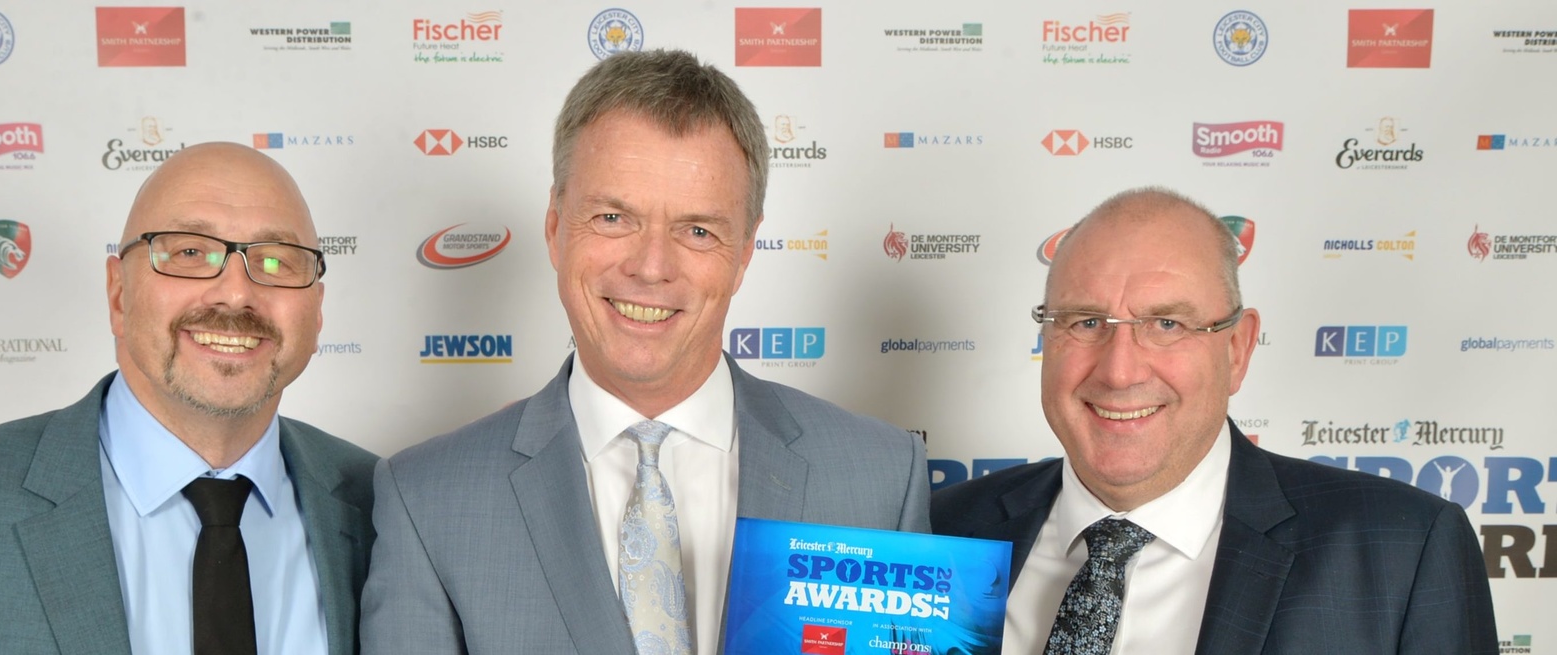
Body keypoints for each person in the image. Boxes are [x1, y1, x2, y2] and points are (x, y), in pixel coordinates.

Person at [359, 49, 930, 655]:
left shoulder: (880, 481)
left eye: (698, 230)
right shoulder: (428, 499)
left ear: (744, 253)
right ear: (555, 228)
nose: (651, 266)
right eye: (612, 217)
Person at [0, 142, 379, 655]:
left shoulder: (385, 506)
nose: (236, 293)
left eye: (276, 261)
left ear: (317, 310)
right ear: (119, 294)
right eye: (190, 252)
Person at [931, 188, 1497, 654]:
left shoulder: (1401, 551)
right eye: (1085, 322)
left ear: (1238, 350)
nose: (1120, 371)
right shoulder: (940, 530)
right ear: (1047, 338)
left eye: (1167, 325)